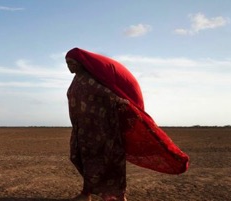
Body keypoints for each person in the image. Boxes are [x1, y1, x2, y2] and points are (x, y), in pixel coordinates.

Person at [65, 48, 189, 201]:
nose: (69, 66)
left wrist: (123, 101)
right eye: (67, 63)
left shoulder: (89, 79)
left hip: (102, 130)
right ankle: (87, 192)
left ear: (80, 63)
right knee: (82, 158)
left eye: (71, 63)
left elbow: (107, 94)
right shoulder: (77, 79)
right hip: (83, 130)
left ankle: (116, 195)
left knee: (108, 161)